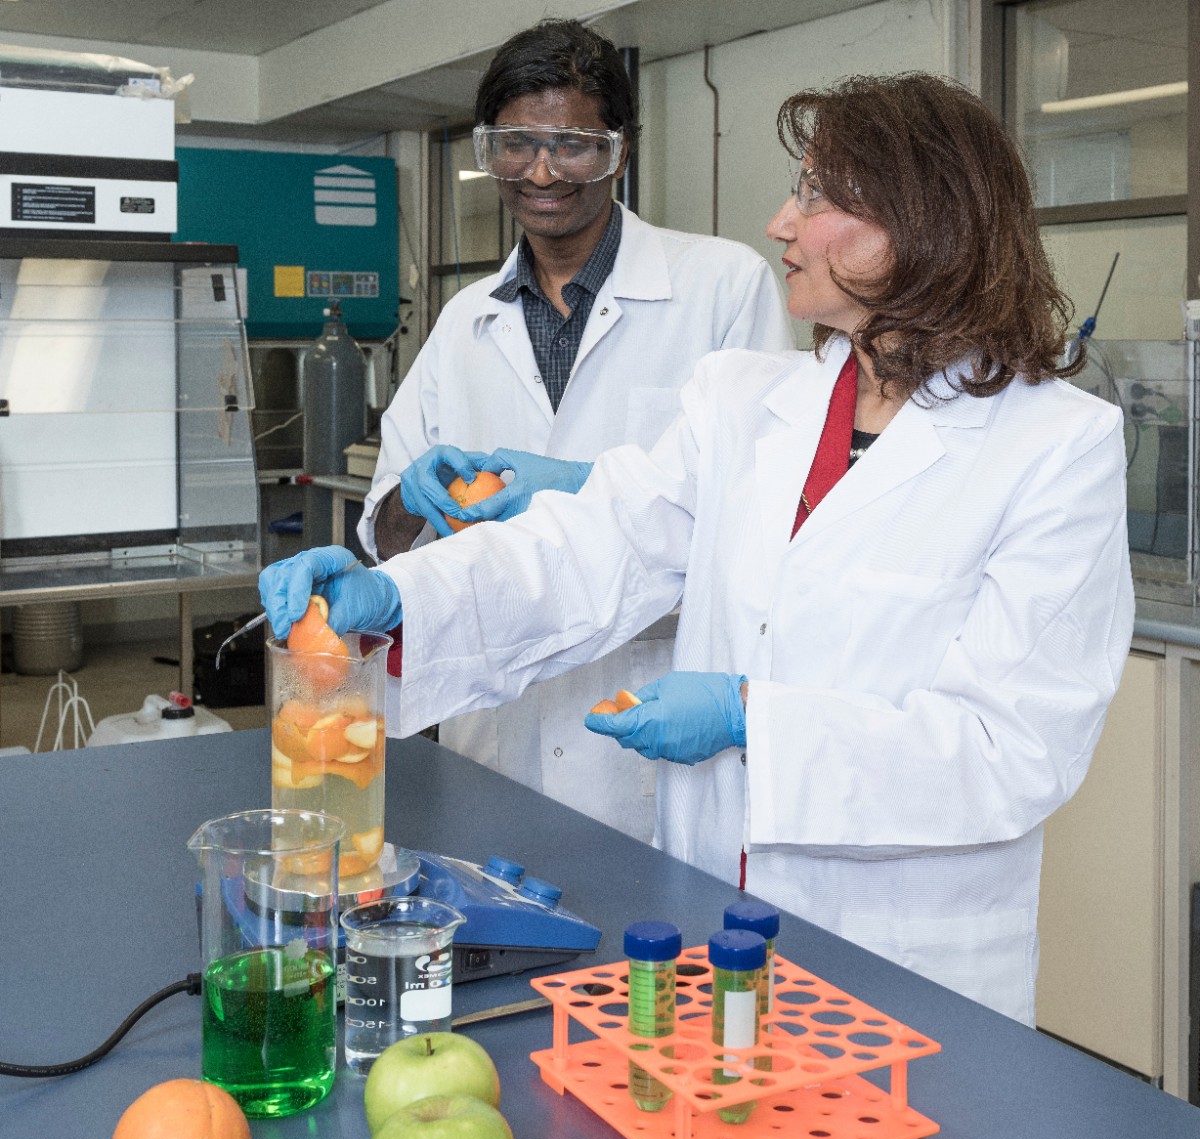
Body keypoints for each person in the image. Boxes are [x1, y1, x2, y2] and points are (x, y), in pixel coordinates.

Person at [262, 72, 1135, 1025]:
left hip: (902, 948)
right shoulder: (744, 402)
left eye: (815, 195)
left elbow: (1010, 749)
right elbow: (592, 545)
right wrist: (403, 599)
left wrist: (753, 718)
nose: (780, 223)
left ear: (919, 224)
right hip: (708, 913)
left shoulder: (1055, 448)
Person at [358, 18, 792, 843]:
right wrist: (412, 503)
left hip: (654, 705)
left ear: (619, 150)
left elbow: (760, 513)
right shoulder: (463, 322)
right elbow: (385, 524)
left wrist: (583, 488)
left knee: (651, 955)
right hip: (495, 718)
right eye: (514, 144)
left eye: (574, 144)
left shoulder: (721, 287)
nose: (543, 172)